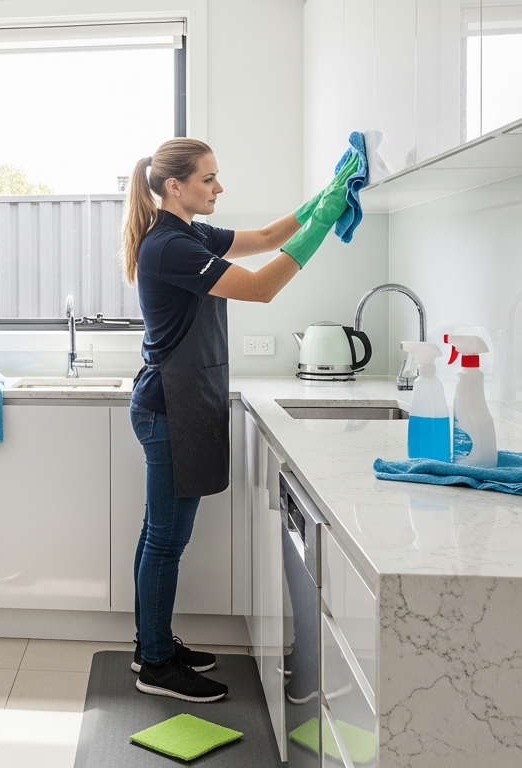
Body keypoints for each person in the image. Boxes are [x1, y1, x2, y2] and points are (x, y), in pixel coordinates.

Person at [123, 138, 355, 702]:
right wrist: (325, 221)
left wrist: (329, 192)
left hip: (180, 402)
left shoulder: (191, 234)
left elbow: (270, 238)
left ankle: (151, 645)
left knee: (160, 534)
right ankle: (154, 662)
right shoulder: (168, 246)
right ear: (175, 186)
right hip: (169, 408)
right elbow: (261, 286)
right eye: (209, 179)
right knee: (165, 540)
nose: (219, 188)